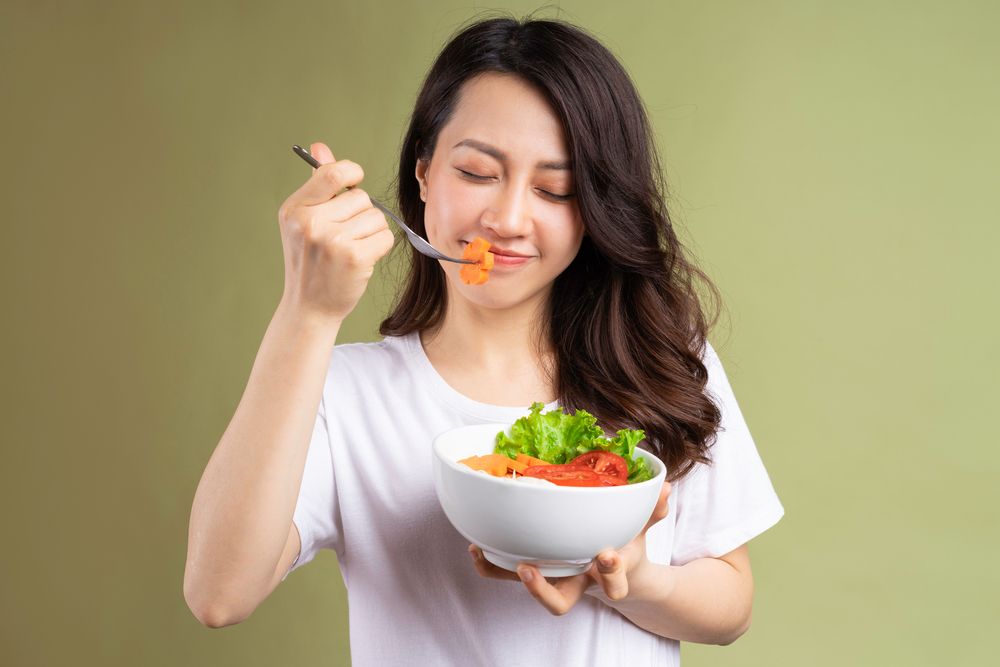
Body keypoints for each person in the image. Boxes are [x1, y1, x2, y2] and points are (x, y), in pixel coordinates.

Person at [183, 15, 783, 667]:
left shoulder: (659, 358)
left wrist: (632, 579)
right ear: (422, 173)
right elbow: (218, 594)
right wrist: (306, 312)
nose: (507, 220)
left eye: (555, 189)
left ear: (595, 210)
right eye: (475, 172)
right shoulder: (344, 393)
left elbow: (733, 604)